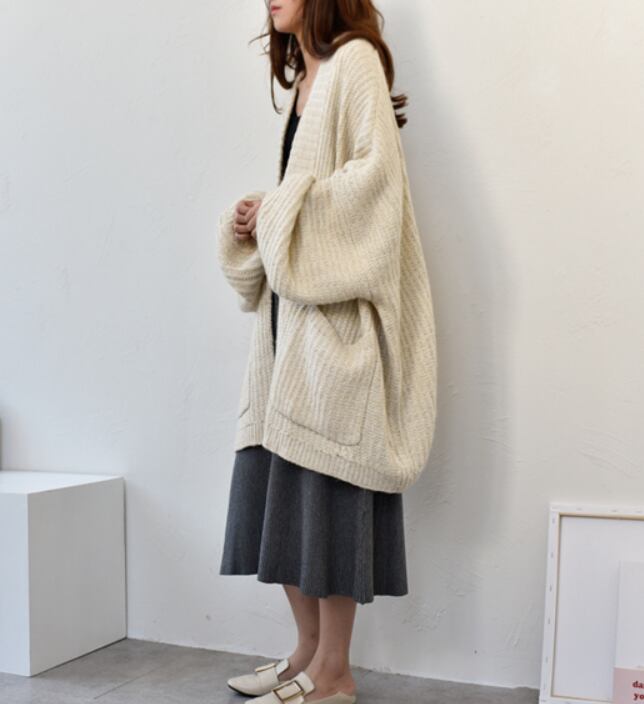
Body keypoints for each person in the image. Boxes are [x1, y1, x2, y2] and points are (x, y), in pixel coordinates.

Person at [216, 2, 438, 703]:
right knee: (275, 491)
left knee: (327, 497)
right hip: (289, 327)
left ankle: (335, 672)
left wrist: (283, 210)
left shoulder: (355, 64)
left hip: (334, 326)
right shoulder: (305, 85)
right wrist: (260, 215)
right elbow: (304, 195)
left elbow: (377, 189)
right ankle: (306, 653)